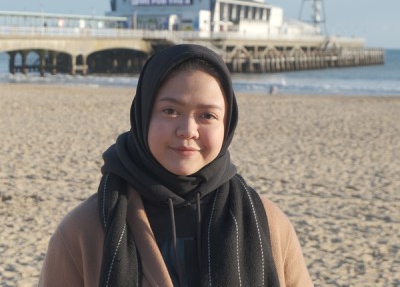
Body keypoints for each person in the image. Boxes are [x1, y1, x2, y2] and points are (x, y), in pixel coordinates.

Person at [39, 44, 313, 287]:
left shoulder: (267, 222)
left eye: (207, 115)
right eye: (170, 111)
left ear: (227, 124)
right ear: (143, 114)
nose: (187, 130)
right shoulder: (84, 229)